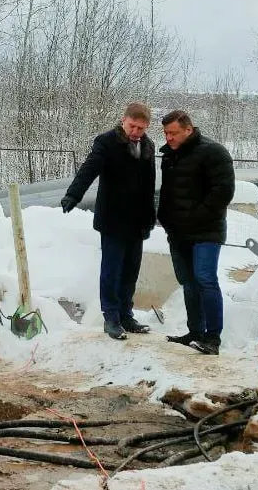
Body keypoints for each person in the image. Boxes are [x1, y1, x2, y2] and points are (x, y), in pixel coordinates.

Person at [60, 102, 157, 340]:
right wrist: (73, 194)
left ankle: (126, 314)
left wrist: (150, 217)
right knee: (112, 270)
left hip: (137, 221)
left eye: (141, 128)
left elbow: (149, 185)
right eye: (133, 126)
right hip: (113, 219)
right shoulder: (107, 142)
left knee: (131, 270)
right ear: (123, 120)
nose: (136, 132)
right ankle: (111, 318)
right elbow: (89, 169)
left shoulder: (147, 145)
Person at [157, 110, 235, 356]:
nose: (168, 138)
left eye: (173, 133)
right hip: (178, 232)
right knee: (188, 283)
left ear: (188, 129)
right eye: (166, 133)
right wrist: (164, 217)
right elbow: (168, 192)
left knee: (205, 279)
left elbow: (223, 191)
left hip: (206, 231)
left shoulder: (214, 152)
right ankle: (195, 332)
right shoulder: (169, 155)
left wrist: (196, 217)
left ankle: (213, 338)